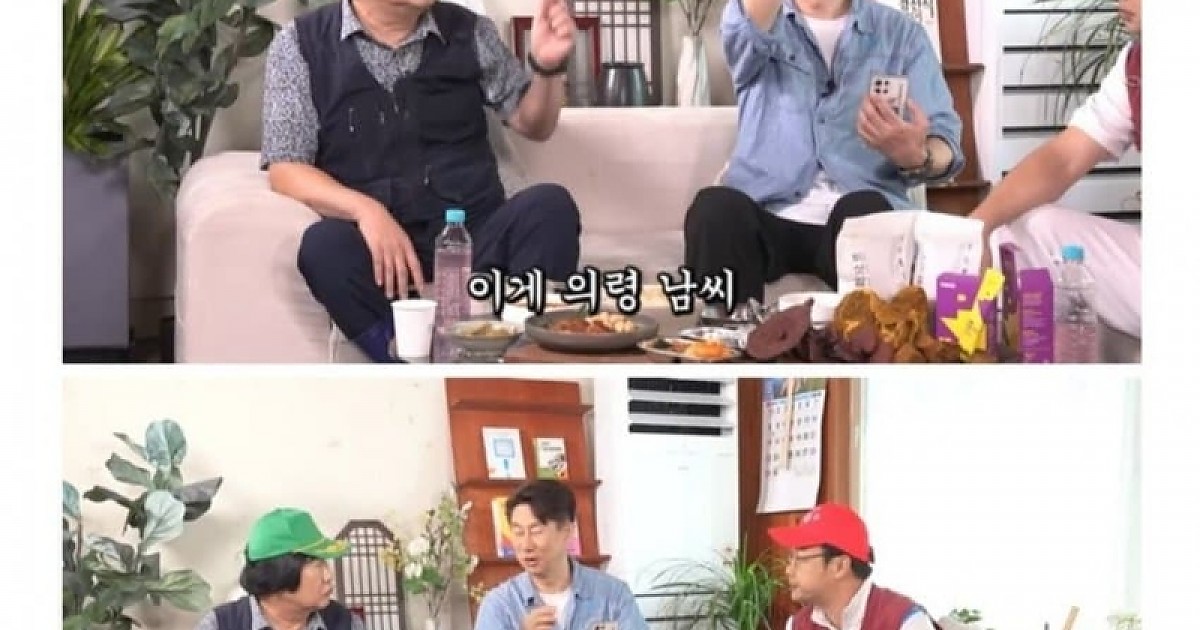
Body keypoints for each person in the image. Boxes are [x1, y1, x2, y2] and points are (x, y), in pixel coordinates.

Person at [261, 0, 583, 362]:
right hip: (381, 260)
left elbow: (534, 124)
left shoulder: (470, 30)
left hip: (474, 240)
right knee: (324, 247)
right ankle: (402, 361)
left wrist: (547, 67)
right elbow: (286, 167)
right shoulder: (300, 44)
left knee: (549, 207)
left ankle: (520, 360)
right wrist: (366, 211)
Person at [685, 0, 965, 311]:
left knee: (868, 210)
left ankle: (869, 333)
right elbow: (744, 34)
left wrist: (917, 155)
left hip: (857, 213)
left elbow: (946, 141)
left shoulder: (902, 34)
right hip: (766, 212)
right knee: (715, 208)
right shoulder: (757, 16)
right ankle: (727, 330)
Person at [971, 0, 1141, 340]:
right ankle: (985, 344)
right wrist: (977, 228)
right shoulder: (1136, 64)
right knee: (1022, 231)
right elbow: (1064, 158)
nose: (1120, 2)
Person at [474, 479, 649, 630]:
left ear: (567, 530)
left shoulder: (613, 595)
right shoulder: (499, 605)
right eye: (518, 532)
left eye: (536, 531)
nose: (526, 545)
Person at [770, 503, 937, 630]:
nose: (788, 570)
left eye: (800, 560)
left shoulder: (905, 622)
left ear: (840, 566)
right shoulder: (797, 625)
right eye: (790, 559)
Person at [194, 508, 364, 630]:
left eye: (324, 562)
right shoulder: (221, 624)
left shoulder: (346, 623)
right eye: (316, 564)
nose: (328, 576)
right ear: (280, 573)